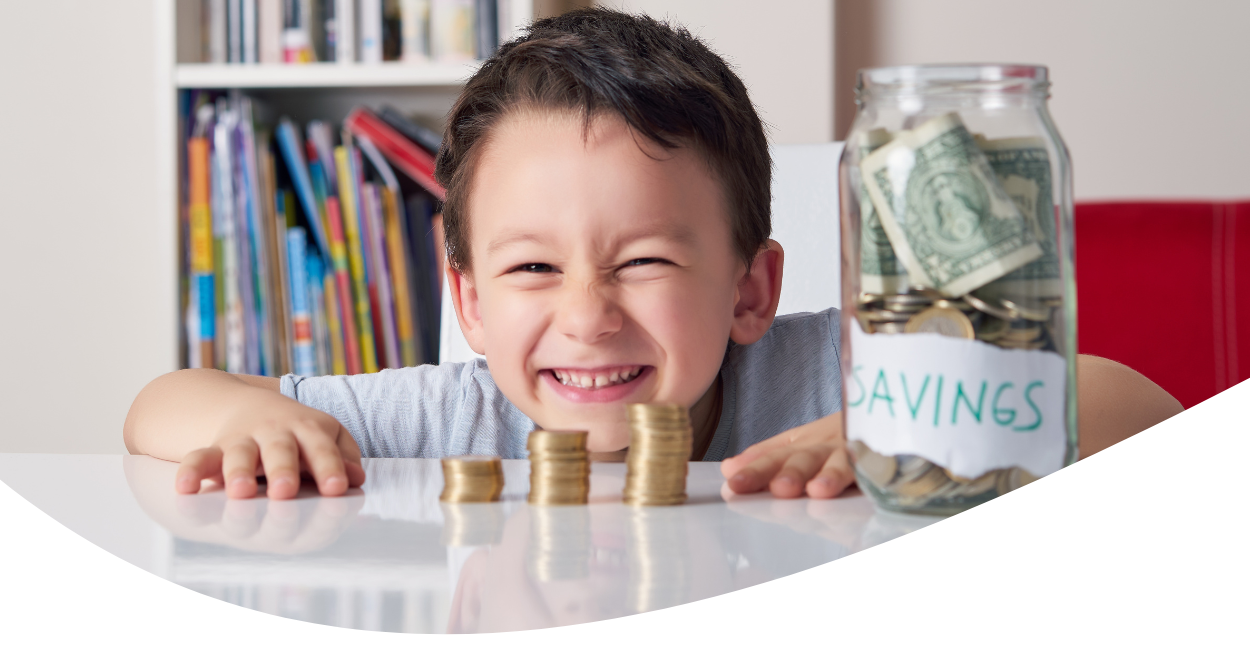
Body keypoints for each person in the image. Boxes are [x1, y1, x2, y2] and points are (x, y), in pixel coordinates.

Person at [123, 8, 1182, 501]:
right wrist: (245, 415)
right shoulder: (446, 418)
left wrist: (884, 422)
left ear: (750, 288)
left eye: (642, 263)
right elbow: (159, 405)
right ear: (470, 301)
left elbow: (1137, 407)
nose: (586, 315)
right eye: (532, 268)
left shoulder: (848, 382)